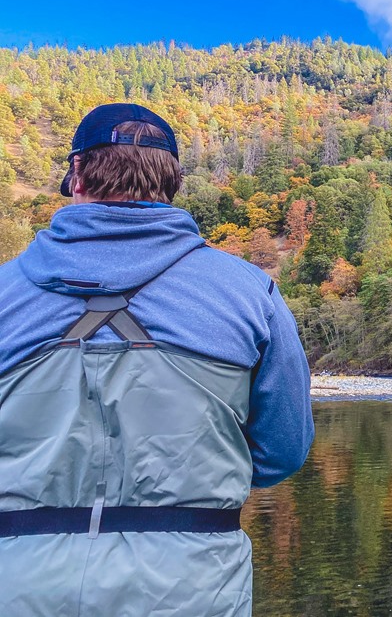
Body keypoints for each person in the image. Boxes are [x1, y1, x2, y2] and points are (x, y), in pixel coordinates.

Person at [0, 103, 314, 615]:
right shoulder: (251, 293)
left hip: (16, 585)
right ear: (172, 183)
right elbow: (283, 451)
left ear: (76, 174)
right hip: (194, 585)